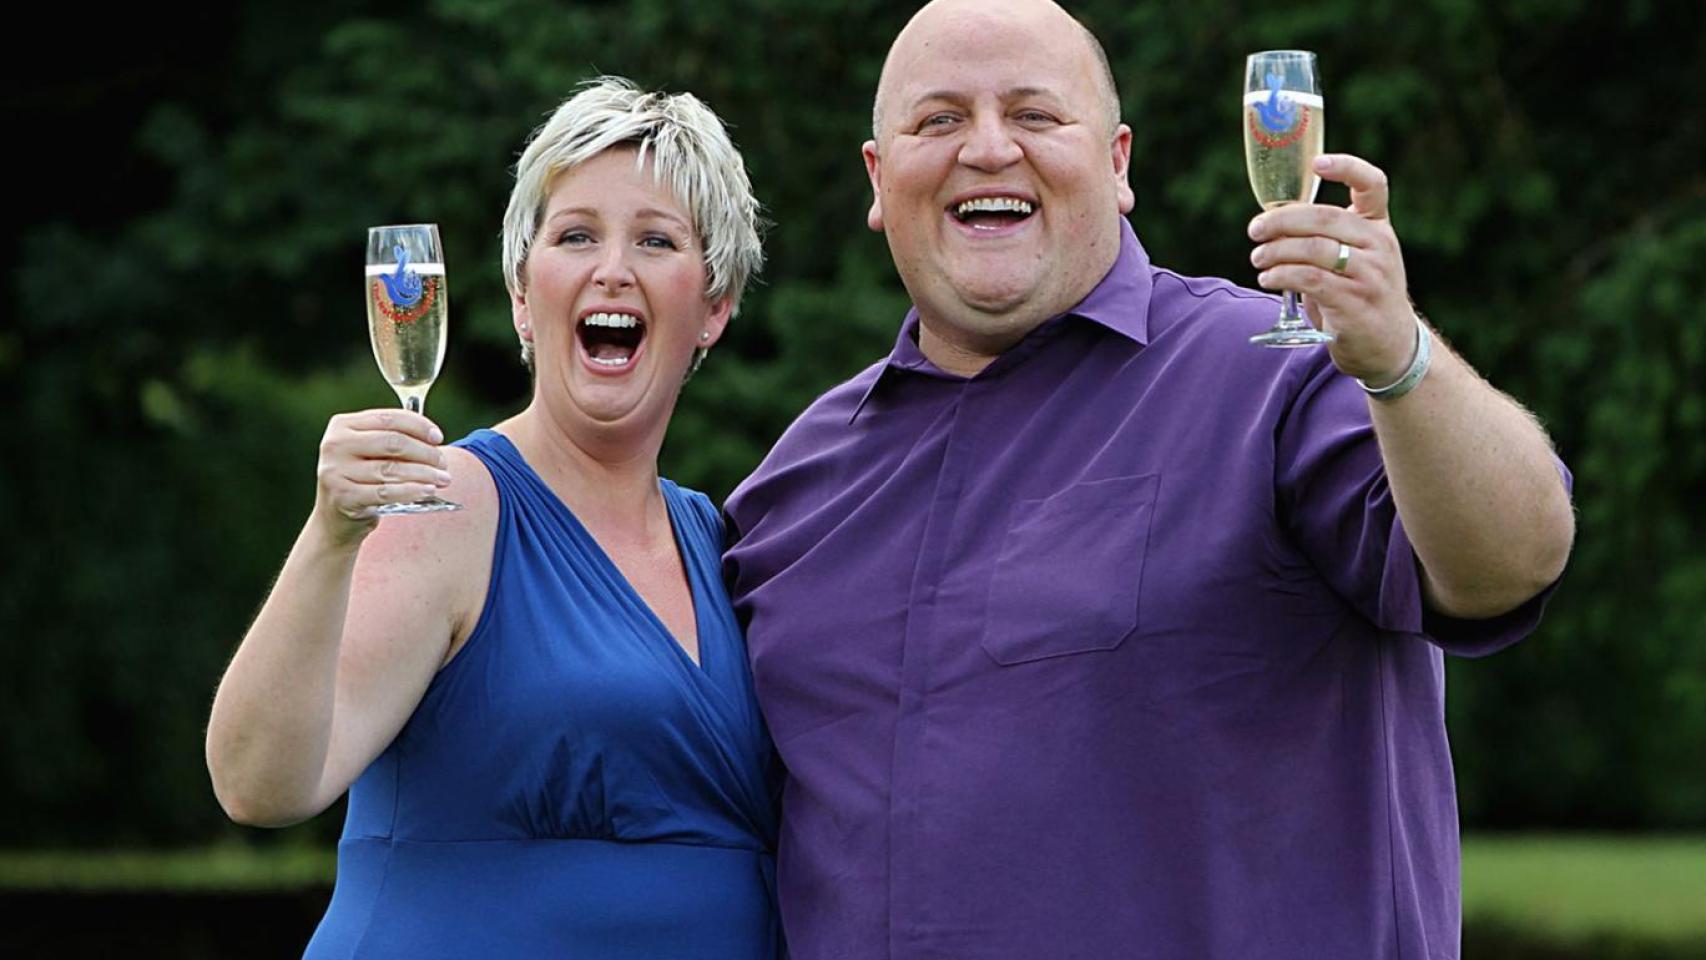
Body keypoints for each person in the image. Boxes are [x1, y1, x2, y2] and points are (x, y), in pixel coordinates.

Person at [722, 1, 1575, 958]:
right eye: (939, 120)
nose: (990, 149)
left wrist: (1401, 359)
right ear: (880, 179)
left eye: (1037, 116)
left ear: (1119, 164)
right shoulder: (793, 489)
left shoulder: (1276, 378)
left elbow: (1513, 559)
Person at [207, 78, 779, 958]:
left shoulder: (724, 540)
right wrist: (330, 535)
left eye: (656, 240)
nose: (611, 268)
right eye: (576, 235)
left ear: (714, 307)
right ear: (523, 293)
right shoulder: (458, 503)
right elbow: (259, 784)